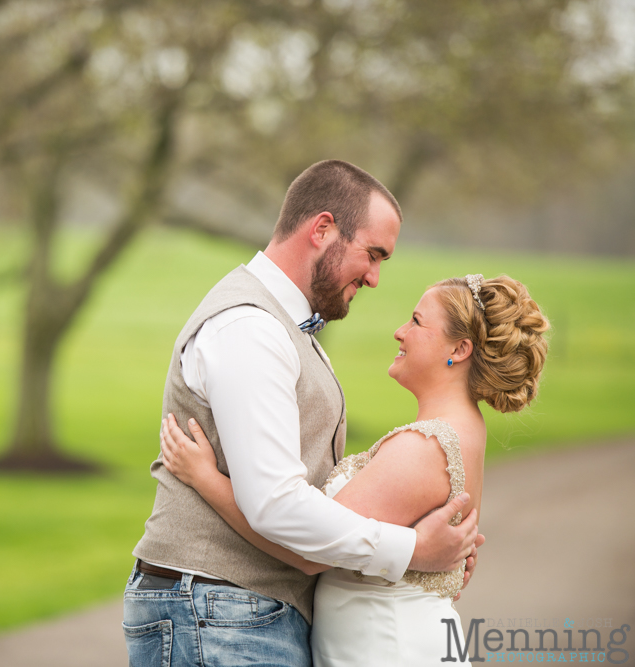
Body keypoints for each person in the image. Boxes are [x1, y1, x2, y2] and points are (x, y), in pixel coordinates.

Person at [125, 160, 482, 667]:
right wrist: (413, 552)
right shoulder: (250, 329)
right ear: (322, 230)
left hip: (234, 612)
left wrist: (434, 560)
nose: (376, 279)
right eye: (373, 254)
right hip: (218, 612)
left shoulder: (284, 326)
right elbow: (275, 504)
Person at [160, 273, 549, 665]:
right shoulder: (462, 431)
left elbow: (307, 549)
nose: (400, 332)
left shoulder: (424, 448)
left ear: (460, 349)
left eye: (416, 321)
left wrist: (205, 479)